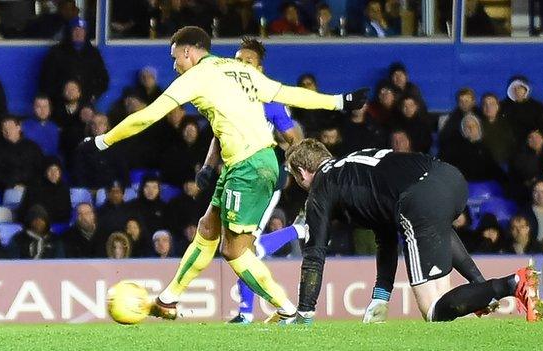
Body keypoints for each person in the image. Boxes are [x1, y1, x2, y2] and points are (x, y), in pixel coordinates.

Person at [79, 26, 368, 321]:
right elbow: (286, 94)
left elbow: (147, 116)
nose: (174, 64)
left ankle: (288, 310)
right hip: (245, 163)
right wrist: (339, 101)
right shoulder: (238, 69)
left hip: (249, 166)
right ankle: (169, 299)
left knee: (234, 250)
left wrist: (103, 141)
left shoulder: (197, 76)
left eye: (175, 56)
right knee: (207, 229)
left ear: (188, 52)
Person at [284, 139, 542, 324]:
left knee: (433, 310)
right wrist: (381, 296)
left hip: (420, 197)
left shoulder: (321, 185)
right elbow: (385, 233)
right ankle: (483, 286)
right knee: (443, 294)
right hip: (451, 178)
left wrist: (304, 313)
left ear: (301, 172)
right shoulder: (353, 166)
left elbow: (315, 254)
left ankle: (515, 283)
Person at [195, 37, 309, 323]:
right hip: (235, 177)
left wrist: (290, 170)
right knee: (238, 246)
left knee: (244, 248)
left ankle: (297, 232)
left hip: (259, 179)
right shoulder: (228, 97)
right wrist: (209, 166)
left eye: (247, 62)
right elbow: (218, 134)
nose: (241, 65)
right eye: (238, 60)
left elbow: (294, 138)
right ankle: (246, 312)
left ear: (259, 68)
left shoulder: (269, 98)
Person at [39, 17, 109, 103]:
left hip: (86, 103)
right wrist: (61, 94)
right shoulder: (56, 53)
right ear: (69, 32)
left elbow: (103, 79)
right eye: (75, 30)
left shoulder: (93, 53)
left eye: (82, 30)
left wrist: (94, 94)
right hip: (60, 103)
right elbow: (46, 80)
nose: (78, 33)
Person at [0, 117, 44, 191]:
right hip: (10, 189)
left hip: (33, 188)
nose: (7, 131)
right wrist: (12, 185)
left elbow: (40, 168)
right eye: (4, 129)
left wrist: (29, 186)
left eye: (10, 127)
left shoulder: (32, 147)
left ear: (19, 127)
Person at [17, 158, 72, 224]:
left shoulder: (64, 189)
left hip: (57, 226)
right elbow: (25, 212)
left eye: (56, 170)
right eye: (50, 170)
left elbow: (66, 213)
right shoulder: (34, 188)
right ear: (45, 172)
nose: (53, 173)